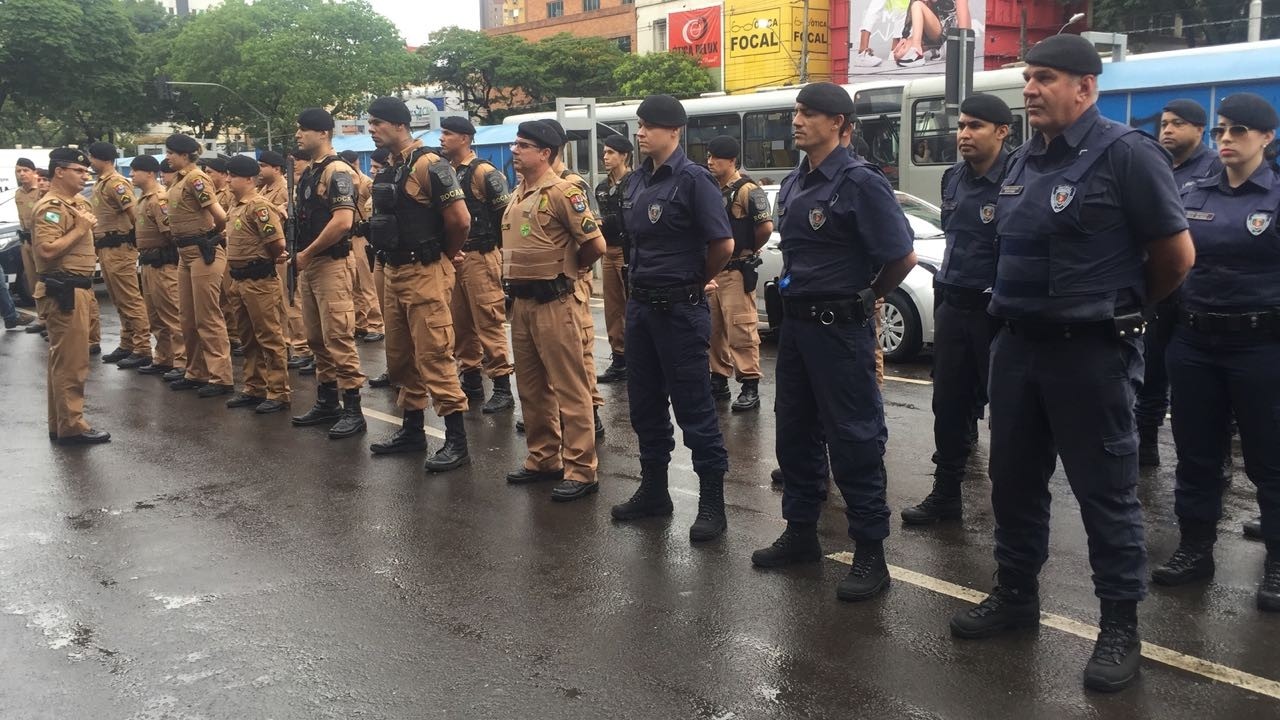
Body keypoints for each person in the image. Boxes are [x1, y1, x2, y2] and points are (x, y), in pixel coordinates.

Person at [949, 36, 1194, 693]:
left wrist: (1122, 308)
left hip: (1091, 355)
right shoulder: (1023, 159)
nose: (1029, 89)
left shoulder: (1126, 154)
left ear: (1085, 87)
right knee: (1013, 483)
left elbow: (1175, 258)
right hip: (1018, 348)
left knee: (1105, 497)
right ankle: (1016, 596)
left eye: (1045, 78)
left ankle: (1119, 626)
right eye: (1028, 78)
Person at [749, 83, 916, 604]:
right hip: (796, 329)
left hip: (840, 330)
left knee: (854, 438)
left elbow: (901, 256)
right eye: (796, 111)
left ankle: (870, 551)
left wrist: (867, 296)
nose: (797, 121)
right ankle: (801, 531)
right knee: (794, 433)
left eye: (811, 114)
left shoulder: (860, 182)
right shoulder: (797, 180)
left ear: (840, 123)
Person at [1152, 93, 1280, 613]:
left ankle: (1276, 562)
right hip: (1196, 342)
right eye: (1222, 130)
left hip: (1261, 346)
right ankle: (1195, 549)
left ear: (1266, 139)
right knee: (1197, 454)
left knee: (1269, 461)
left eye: (1239, 131)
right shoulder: (1195, 192)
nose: (1226, 139)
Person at [608, 94, 734, 542]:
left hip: (680, 309)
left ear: (674, 131)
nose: (640, 133)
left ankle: (712, 504)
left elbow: (723, 244)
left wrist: (695, 282)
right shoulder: (637, 181)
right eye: (639, 125)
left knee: (695, 407)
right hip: (641, 307)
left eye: (648, 126)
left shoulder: (694, 180)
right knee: (644, 405)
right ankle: (655, 492)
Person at [901, 94, 1011, 525]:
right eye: (961, 126)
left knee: (1006, 412)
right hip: (954, 303)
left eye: (975, 126)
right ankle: (946, 494)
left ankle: (1010, 506)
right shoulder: (953, 178)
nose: (964, 134)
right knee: (947, 404)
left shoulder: (1017, 177)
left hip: (997, 311)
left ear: (1002, 131)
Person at [364, 96, 473, 471]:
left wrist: (446, 254)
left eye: (378, 122)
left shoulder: (429, 164)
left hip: (425, 271)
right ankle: (412, 430)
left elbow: (459, 220)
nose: (372, 129)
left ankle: (456, 440)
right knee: (400, 358)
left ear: (399, 124)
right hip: (394, 271)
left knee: (435, 355)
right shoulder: (392, 166)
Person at [501, 120, 606, 501]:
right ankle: (543, 457)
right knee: (531, 387)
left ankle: (581, 469)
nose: (515, 150)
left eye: (523, 145)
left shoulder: (564, 191)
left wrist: (572, 271)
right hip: (523, 303)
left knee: (570, 387)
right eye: (515, 144)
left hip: (555, 301)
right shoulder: (519, 192)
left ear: (545, 153)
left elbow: (595, 244)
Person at [1136, 99, 1224, 467]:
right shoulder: (1158, 166)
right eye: (1165, 123)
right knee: (1151, 371)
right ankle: (1146, 448)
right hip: (1161, 290)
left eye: (1178, 124)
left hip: (1200, 293)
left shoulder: (1215, 169)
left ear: (1199, 130)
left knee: (1201, 387)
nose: (1168, 130)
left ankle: (1214, 462)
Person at [288, 108, 367, 439]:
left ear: (323, 133)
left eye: (303, 130)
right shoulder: (310, 172)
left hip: (330, 264)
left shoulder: (336, 171)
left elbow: (342, 222)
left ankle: (352, 408)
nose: (297, 135)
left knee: (338, 336)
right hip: (311, 265)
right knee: (317, 338)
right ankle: (327, 400)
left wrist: (306, 252)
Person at [31, 148, 110, 445]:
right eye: (78, 171)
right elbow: (47, 250)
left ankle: (61, 423)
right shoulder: (51, 207)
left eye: (86, 171)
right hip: (63, 289)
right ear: (59, 172)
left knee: (64, 361)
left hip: (79, 287)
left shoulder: (78, 203)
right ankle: (73, 426)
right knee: (71, 364)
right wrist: (80, 228)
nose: (84, 176)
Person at [438, 115, 515, 414]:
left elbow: (504, 216)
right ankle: (471, 380)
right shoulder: (447, 172)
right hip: (456, 256)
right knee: (460, 325)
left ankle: (501, 386)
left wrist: (501, 257)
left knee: (489, 321)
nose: (442, 138)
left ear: (465, 138)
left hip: (481, 256)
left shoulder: (484, 172)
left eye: (448, 133)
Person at [541, 118, 605, 438]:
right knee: (553, 354)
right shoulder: (534, 185)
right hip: (543, 285)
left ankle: (591, 414)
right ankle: (560, 413)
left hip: (570, 279)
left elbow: (594, 238)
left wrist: (577, 268)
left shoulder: (572, 185)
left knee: (579, 349)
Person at [164, 133, 235, 397]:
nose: (167, 157)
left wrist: (210, 238)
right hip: (185, 253)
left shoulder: (196, 178)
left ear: (184, 155)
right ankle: (196, 372)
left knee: (208, 317)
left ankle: (221, 377)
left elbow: (221, 216)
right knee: (188, 317)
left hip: (202, 251)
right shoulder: (180, 180)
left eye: (171, 152)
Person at [704, 135, 772, 412]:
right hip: (714, 270)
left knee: (741, 329)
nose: (710, 162)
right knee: (713, 330)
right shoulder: (710, 189)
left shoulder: (747, 190)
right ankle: (718, 379)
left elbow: (765, 228)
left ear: (732, 161)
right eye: (708, 156)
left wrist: (747, 252)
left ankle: (749, 385)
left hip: (736, 270)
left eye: (716, 158)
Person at [222, 154, 291, 415]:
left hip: (259, 281)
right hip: (239, 281)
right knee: (247, 338)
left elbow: (276, 243)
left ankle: (278, 391)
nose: (228, 179)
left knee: (269, 337)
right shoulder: (237, 205)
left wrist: (266, 262)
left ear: (248, 179)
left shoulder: (258, 206)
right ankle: (254, 387)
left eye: (233, 175)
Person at [87, 142, 152, 369]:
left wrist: (139, 241)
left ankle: (143, 347)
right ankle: (127, 343)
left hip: (120, 247)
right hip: (106, 247)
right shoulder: (101, 182)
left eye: (91, 157)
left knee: (130, 298)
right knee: (118, 298)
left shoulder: (116, 183)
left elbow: (133, 213)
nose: (89, 161)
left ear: (102, 159)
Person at [130, 155, 186, 378]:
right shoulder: (143, 199)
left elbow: (170, 233)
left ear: (150, 173)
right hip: (148, 263)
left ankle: (182, 361)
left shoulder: (159, 200)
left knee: (172, 315)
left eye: (136, 171)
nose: (132, 175)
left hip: (164, 264)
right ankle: (164, 357)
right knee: (155, 315)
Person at [594, 134, 633, 384]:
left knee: (634, 306)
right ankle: (619, 358)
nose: (605, 157)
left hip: (630, 250)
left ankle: (639, 359)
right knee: (613, 308)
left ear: (624, 156)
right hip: (608, 249)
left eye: (611, 153)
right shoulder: (601, 187)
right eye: (605, 152)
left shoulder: (636, 182)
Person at [339, 149, 385, 344]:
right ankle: (361, 322)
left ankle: (376, 324)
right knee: (355, 284)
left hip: (362, 236)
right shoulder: (344, 183)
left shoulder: (366, 183)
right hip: (349, 237)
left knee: (368, 283)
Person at [281, 148, 314, 373]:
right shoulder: (298, 187)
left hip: (314, 251)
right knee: (295, 301)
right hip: (297, 247)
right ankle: (306, 349)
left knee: (297, 302)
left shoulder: (323, 176)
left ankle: (303, 348)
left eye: (296, 162)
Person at [366, 147, 396, 390]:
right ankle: (394, 367)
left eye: (377, 167)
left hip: (406, 259)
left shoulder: (398, 186)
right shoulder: (374, 192)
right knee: (390, 319)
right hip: (381, 256)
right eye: (372, 168)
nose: (372, 172)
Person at [15, 158, 45, 331]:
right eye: (19, 171)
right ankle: (42, 319)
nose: (22, 174)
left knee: (45, 280)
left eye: (25, 170)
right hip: (25, 240)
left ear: (34, 172)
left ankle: (50, 320)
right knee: (33, 282)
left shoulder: (41, 191)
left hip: (39, 240)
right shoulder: (19, 193)